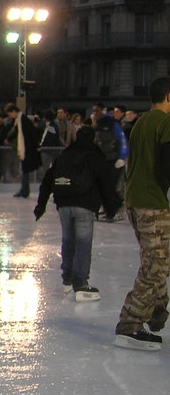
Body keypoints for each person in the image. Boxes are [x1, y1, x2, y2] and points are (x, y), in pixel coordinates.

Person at [112, 77, 170, 351]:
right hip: (152, 202)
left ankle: (157, 313)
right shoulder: (165, 123)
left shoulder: (142, 122)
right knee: (156, 264)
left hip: (135, 200)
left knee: (155, 260)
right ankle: (130, 325)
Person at [34, 125, 120, 300]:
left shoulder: (64, 155)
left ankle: (67, 278)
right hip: (85, 205)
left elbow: (47, 180)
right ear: (92, 139)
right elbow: (106, 184)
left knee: (68, 240)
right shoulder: (95, 157)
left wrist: (40, 206)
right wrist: (111, 208)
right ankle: (80, 282)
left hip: (63, 205)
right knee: (83, 243)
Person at [4, 102, 42, 198]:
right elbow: (16, 130)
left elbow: (31, 132)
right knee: (25, 169)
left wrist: (37, 145)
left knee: (25, 169)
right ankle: (24, 190)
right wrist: (8, 138)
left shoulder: (23, 120)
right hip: (25, 148)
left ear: (13, 111)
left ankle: (25, 191)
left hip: (28, 149)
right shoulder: (19, 120)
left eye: (10, 114)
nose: (10, 116)